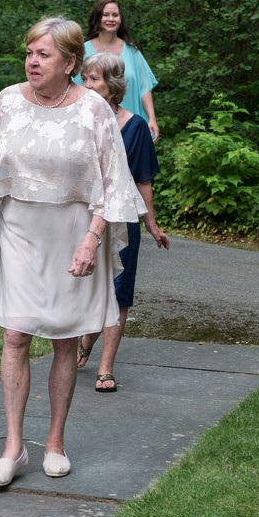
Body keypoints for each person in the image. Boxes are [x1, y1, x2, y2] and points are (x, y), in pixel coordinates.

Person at [0, 17, 145, 488]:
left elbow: (114, 181)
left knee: (64, 341)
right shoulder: (7, 101)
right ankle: (13, 448)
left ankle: (54, 441)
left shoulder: (93, 108)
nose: (33, 61)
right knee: (15, 335)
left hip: (75, 231)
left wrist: (92, 239)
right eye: (30, 52)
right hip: (20, 230)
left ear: (70, 63)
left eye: (44, 54)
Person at [76, 53, 170, 391]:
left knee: (119, 292)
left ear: (112, 86)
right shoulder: (75, 118)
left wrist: (152, 226)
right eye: (84, 79)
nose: (87, 86)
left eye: (95, 80)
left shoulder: (136, 127)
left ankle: (105, 367)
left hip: (123, 220)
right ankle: (86, 340)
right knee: (86, 285)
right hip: (81, 216)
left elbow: (143, 180)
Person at [77, 0, 160, 141]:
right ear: (97, 18)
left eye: (115, 15)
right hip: (92, 125)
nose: (111, 19)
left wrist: (152, 118)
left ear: (120, 19)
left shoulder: (132, 51)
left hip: (130, 126)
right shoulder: (82, 51)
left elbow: (144, 88)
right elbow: (73, 89)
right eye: (106, 15)